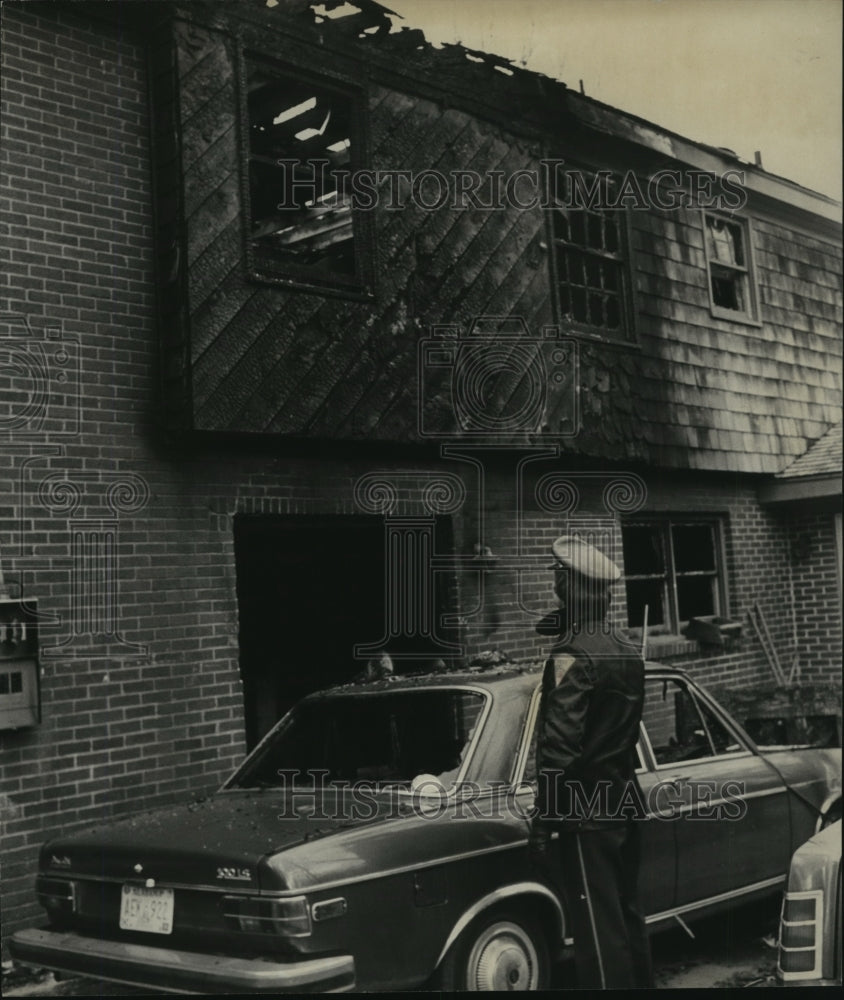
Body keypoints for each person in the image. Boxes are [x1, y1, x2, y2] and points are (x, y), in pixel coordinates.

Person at [529, 534, 653, 989]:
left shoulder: (572, 656)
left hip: (586, 814)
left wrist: (544, 821)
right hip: (623, 803)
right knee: (626, 917)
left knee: (598, 938)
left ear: (568, 586)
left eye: (559, 579)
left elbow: (559, 748)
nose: (555, 585)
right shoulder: (625, 650)